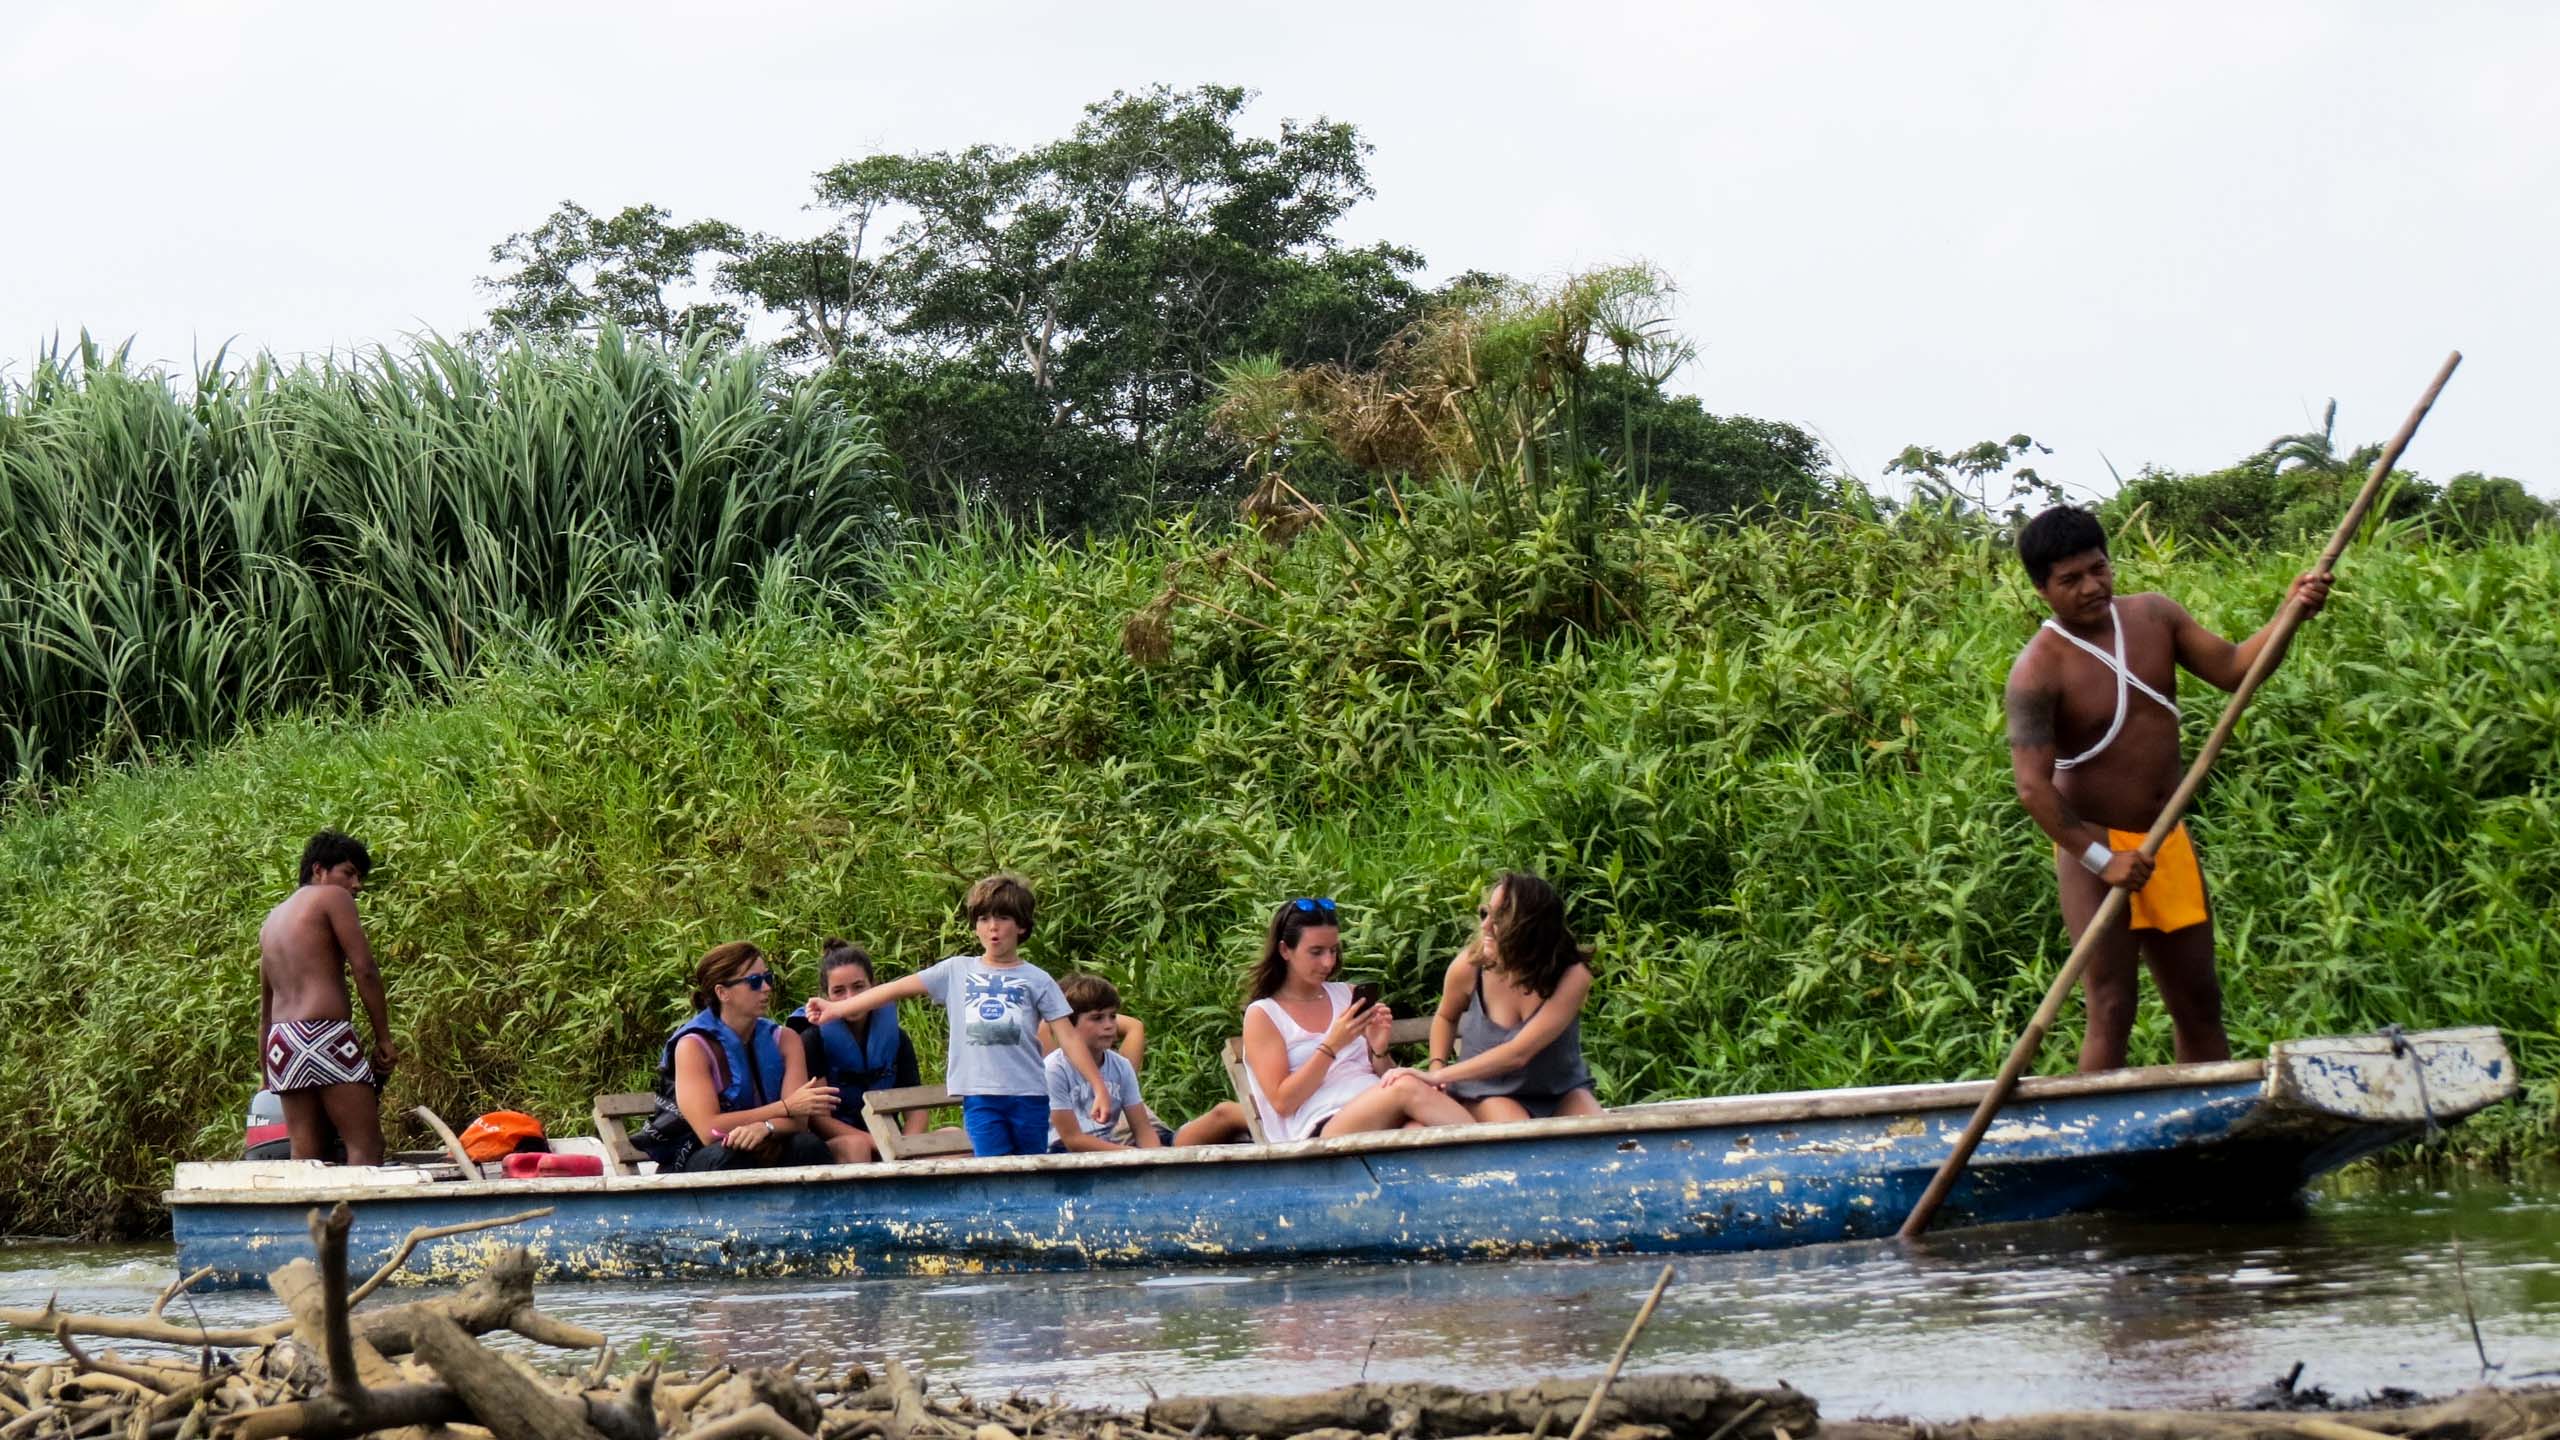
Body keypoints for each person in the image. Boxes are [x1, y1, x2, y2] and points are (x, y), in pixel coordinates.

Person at [2006, 505, 2331, 1071]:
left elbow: (2235, 668)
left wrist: (2290, 613)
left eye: (2099, 569)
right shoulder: (2037, 671)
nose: (2092, 586)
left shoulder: (2154, 617)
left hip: (2164, 843)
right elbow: (2034, 789)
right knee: (2112, 1007)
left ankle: (2204, 1136)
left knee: (2199, 1004)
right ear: (2042, 590)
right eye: (2071, 580)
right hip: (2096, 851)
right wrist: (2102, 859)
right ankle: (2095, 1144)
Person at [806, 873, 1109, 1157]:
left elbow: (1068, 1037)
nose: (993, 927)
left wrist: (1098, 1087)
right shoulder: (955, 971)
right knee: (992, 1173)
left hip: (1029, 1094)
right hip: (980, 1097)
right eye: (984, 918)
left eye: (1003, 918)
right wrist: (836, 1008)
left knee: (1030, 1170)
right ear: (975, 925)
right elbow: (893, 989)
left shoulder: (1037, 979)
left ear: (1021, 926)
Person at [1241, 897, 1473, 1140]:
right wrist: (1332, 1045)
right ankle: (1498, 1144)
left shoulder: (1347, 994)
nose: (1328, 962)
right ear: (1284, 950)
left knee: (1416, 1129)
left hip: (1378, 1107)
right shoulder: (1264, 1014)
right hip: (1323, 1124)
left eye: (1333, 950)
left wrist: (1379, 1050)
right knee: (1405, 1086)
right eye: (1316, 952)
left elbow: (1383, 1076)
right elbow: (1282, 1102)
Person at [1406, 873, 1601, 1121]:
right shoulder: (1469, 966)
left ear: (1530, 928)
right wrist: (1437, 1067)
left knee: (1597, 1130)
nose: (1485, 925)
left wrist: (1439, 1076)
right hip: (1487, 1091)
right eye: (1485, 913)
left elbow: (1518, 1053)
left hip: (1559, 1091)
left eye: (1499, 918)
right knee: (1517, 1131)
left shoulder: (1572, 976)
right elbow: (1445, 1016)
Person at [257, 830, 396, 1166]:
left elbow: (265, 1012)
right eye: (349, 873)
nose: (356, 885)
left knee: (306, 1156)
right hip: (323, 1034)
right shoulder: (332, 898)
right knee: (365, 1147)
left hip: (282, 1043)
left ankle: (314, 1220)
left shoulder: (272, 920)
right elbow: (365, 970)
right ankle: (358, 1219)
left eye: (359, 877)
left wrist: (267, 1076)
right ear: (319, 870)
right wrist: (384, 1038)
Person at [644, 942, 837, 1171]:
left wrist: (766, 1127)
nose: (766, 988)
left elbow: (799, 1119)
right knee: (732, 1155)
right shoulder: (692, 1047)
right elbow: (709, 1130)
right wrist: (783, 1108)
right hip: (701, 1154)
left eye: (768, 978)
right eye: (754, 982)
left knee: (807, 1146)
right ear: (722, 992)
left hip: (768, 1140)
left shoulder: (787, 1040)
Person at [796, 940, 928, 1164]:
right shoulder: (812, 1040)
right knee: (856, 1146)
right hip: (841, 1145)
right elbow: (819, 1120)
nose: (851, 998)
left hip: (893, 1143)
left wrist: (905, 1145)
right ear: (825, 996)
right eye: (838, 991)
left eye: (858, 987)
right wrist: (875, 1142)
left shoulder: (898, 1039)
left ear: (873, 987)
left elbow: (917, 1110)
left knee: (952, 1135)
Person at [1045, 974, 1167, 1153]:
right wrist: (1129, 1154)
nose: (1109, 1025)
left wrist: (1156, 1160)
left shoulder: (1121, 1066)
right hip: (1063, 1155)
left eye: (1112, 1016)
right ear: (1070, 1025)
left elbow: (1143, 1130)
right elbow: (1073, 1140)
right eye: (1097, 1018)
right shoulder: (1054, 1069)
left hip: (1108, 1148)